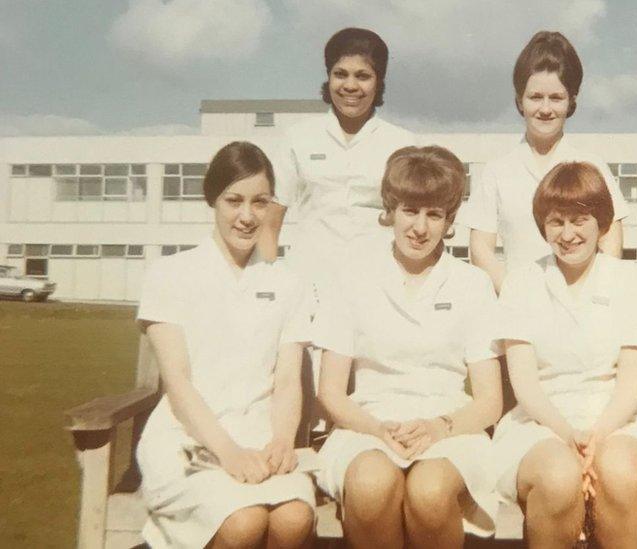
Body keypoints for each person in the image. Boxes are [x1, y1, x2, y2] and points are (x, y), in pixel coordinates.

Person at [313, 145, 503, 549]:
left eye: (434, 214)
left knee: (429, 492)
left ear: (450, 220)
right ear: (390, 210)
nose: (420, 227)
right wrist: (376, 429)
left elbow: (489, 402)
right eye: (410, 211)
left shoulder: (473, 285)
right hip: (366, 424)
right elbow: (330, 392)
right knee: (369, 484)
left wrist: (439, 427)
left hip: (451, 427)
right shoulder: (351, 277)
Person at [135, 141, 315, 548]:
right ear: (212, 200)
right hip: (188, 440)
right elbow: (178, 384)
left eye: (260, 202)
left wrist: (283, 442)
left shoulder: (288, 283)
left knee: (294, 518)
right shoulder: (170, 274)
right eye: (234, 201)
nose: (247, 216)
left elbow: (288, 380)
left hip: (260, 439)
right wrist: (229, 453)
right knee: (243, 522)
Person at [491, 161, 637, 548]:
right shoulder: (522, 282)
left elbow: (633, 379)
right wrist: (568, 436)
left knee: (617, 472)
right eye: (555, 222)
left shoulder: (632, 280)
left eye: (579, 220)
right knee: (558, 476)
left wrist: (597, 437)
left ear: (601, 222)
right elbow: (526, 386)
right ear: (543, 226)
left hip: (617, 423)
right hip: (539, 424)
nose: (567, 234)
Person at [458, 30, 631, 292]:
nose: (546, 109)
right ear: (519, 100)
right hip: (519, 310)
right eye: (536, 97)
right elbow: (481, 250)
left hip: (582, 309)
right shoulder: (497, 171)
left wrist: (593, 296)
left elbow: (610, 243)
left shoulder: (592, 166)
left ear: (571, 101)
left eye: (556, 98)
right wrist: (516, 296)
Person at [264, 27, 416, 290]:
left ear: (378, 82)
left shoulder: (403, 144)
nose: (350, 86)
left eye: (363, 76)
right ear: (328, 77)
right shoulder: (298, 138)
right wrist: (266, 282)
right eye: (340, 74)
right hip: (307, 285)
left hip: (379, 286)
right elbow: (269, 222)